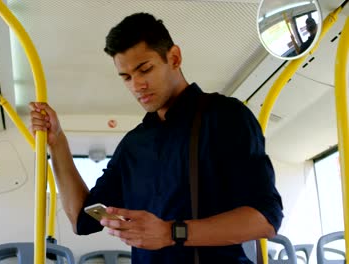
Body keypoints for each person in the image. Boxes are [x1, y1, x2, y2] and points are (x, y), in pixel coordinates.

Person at [29, 13, 283, 263]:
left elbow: (266, 218)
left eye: (145, 69)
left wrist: (171, 232)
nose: (136, 85)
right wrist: (58, 142)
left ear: (174, 58)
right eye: (127, 77)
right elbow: (81, 220)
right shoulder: (134, 145)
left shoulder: (225, 117)